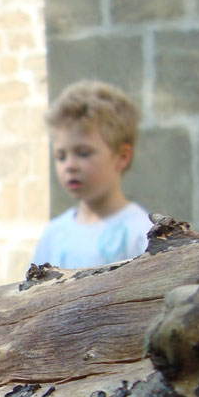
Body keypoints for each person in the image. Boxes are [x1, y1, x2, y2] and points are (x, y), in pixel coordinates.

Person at [31, 80, 153, 269]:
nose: (70, 165)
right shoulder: (53, 235)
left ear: (122, 156)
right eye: (61, 156)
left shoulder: (140, 232)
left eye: (83, 153)